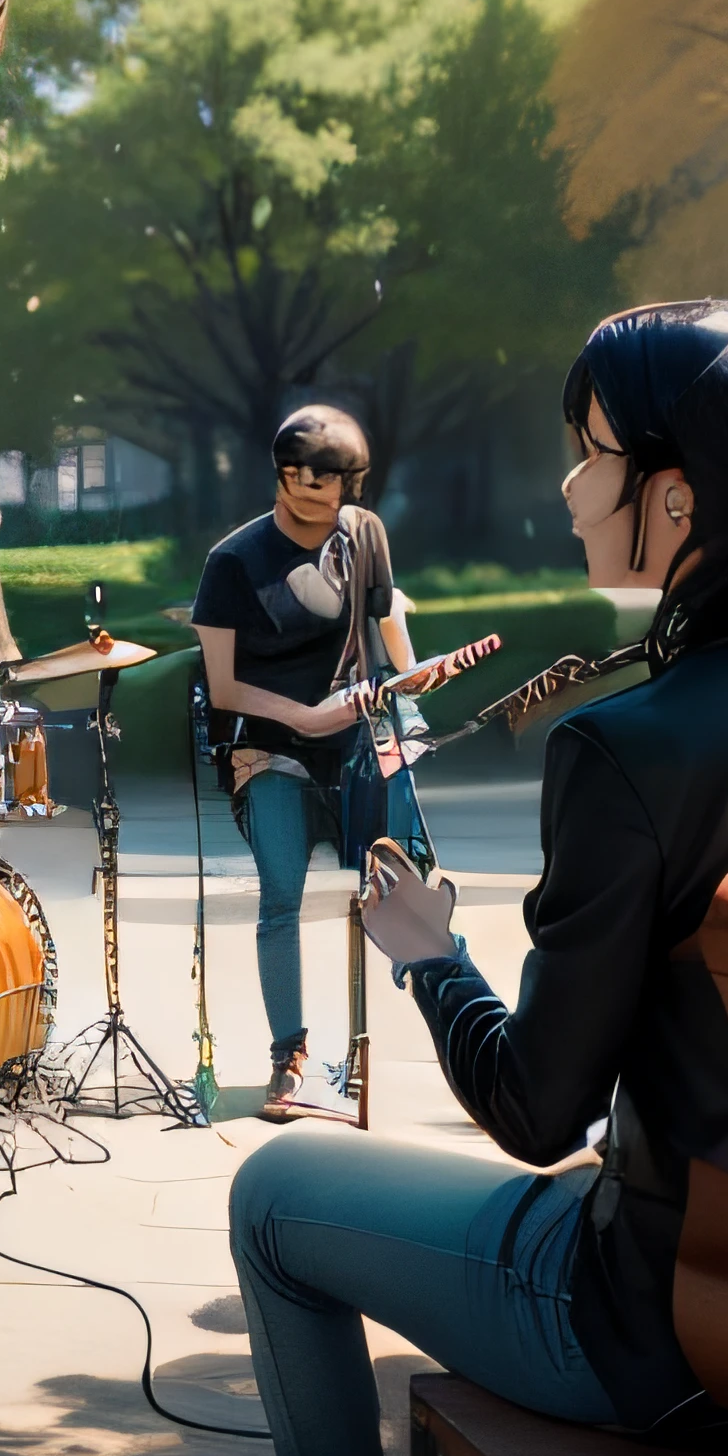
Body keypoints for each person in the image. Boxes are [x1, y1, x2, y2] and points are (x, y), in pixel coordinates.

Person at [225, 302, 728, 1456]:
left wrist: (432, 958)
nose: (571, 485)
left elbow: (540, 1115)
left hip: (688, 1328)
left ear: (677, 498)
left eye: (592, 453)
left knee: (275, 1192)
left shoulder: (623, 750)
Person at [190, 403, 430, 1122]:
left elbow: (389, 621)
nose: (323, 506)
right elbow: (224, 687)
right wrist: (305, 716)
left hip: (353, 739)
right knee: (281, 898)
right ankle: (287, 1056)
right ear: (283, 477)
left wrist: (412, 689)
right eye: (307, 488)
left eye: (336, 493)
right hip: (268, 743)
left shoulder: (363, 534)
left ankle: (386, 1036)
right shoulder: (234, 561)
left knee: (402, 879)